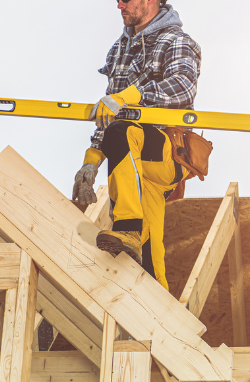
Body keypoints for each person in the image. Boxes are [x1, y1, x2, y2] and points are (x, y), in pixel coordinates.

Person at [72, 0, 201, 291]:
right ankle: (166, 324)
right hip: (132, 165)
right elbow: (109, 112)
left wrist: (128, 96)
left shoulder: (177, 41)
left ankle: (128, 226)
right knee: (149, 263)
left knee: (121, 130)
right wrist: (91, 161)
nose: (119, 4)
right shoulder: (119, 50)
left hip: (165, 153)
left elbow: (183, 86)